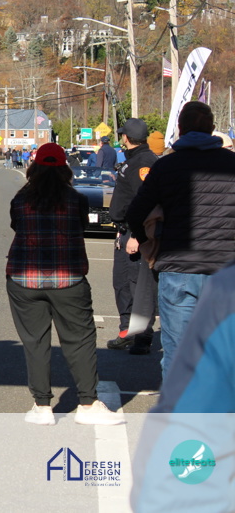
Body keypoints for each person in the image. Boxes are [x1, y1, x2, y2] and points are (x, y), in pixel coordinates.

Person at [5, 142, 123, 426]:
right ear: (64, 169)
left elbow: (17, 226)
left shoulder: (20, 199)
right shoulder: (76, 199)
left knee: (35, 342)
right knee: (79, 340)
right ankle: (87, 403)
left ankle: (42, 406)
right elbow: (80, 227)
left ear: (33, 168)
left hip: (24, 278)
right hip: (68, 277)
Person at [126, 101, 235, 379]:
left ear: (180, 128)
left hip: (178, 265)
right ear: (212, 129)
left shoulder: (166, 166)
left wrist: (149, 242)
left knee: (177, 353)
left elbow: (136, 212)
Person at [106, 118, 158, 355]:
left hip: (135, 233)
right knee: (122, 284)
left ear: (126, 137)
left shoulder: (143, 163)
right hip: (125, 230)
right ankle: (127, 330)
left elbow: (145, 202)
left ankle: (141, 336)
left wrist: (137, 235)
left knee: (138, 286)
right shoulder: (134, 160)